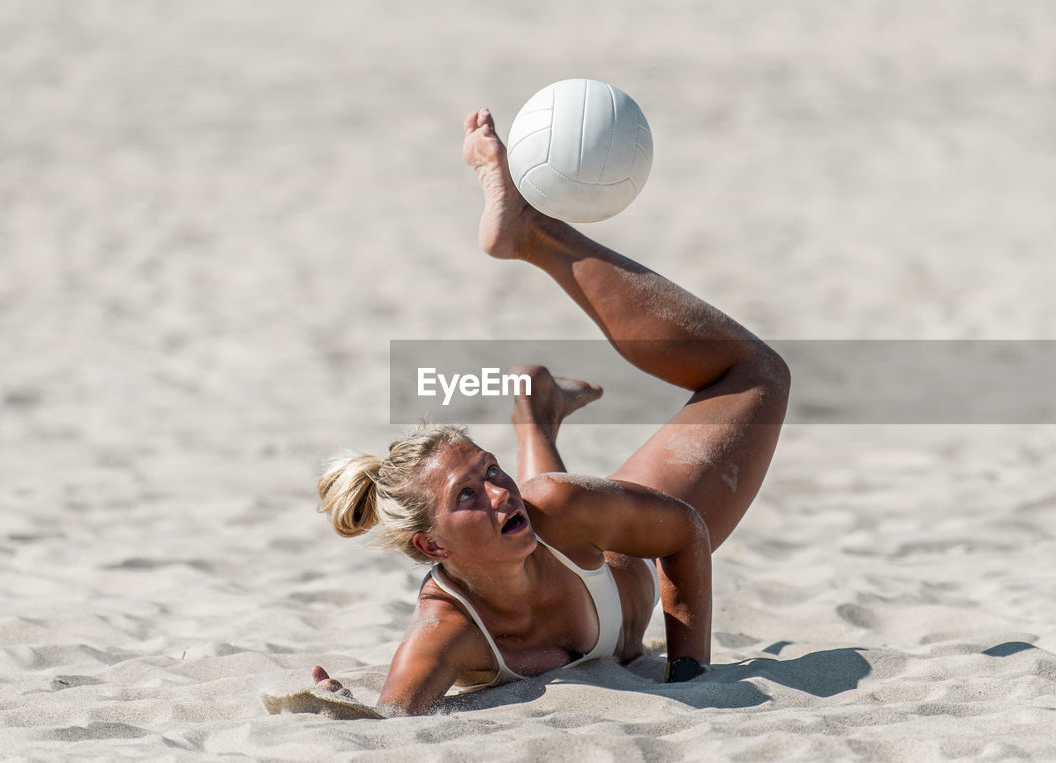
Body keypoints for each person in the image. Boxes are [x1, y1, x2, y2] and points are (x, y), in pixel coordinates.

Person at [310, 108, 790, 716]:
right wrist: (335, 704)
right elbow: (388, 724)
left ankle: (535, 234)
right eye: (466, 496)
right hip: (580, 539)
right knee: (547, 502)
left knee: (755, 377)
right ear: (431, 547)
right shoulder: (447, 632)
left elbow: (685, 534)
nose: (496, 492)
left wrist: (689, 674)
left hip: (629, 552)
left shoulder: (553, 505)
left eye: (489, 471)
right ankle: (534, 409)